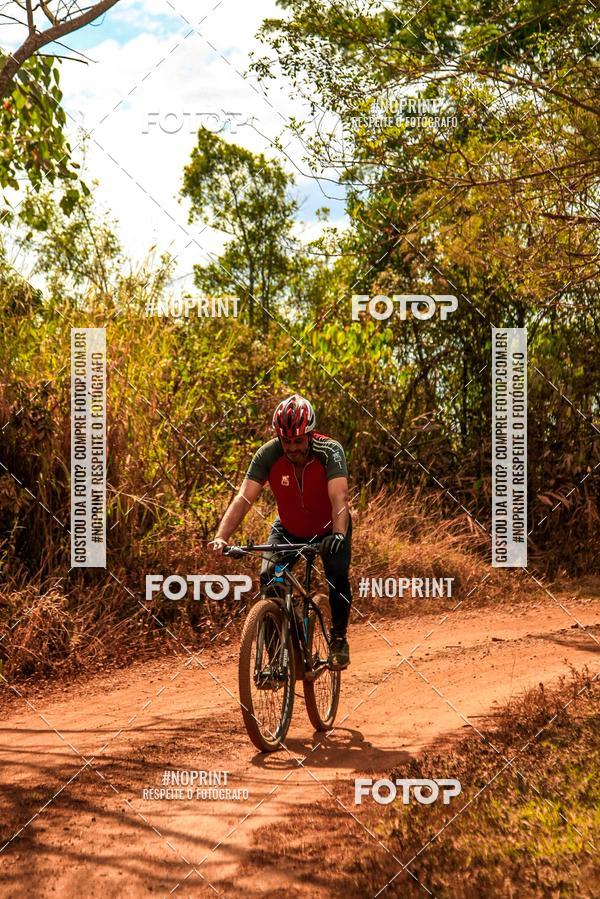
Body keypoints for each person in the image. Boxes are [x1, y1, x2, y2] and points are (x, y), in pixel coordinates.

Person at [210, 394, 352, 669]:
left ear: (310, 435)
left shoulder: (330, 451)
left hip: (329, 528)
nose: (292, 447)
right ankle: (278, 660)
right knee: (269, 578)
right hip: (288, 528)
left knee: (336, 574)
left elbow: (339, 496)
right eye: (286, 441)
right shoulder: (268, 454)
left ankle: (338, 638)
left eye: (298, 440)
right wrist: (221, 536)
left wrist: (337, 533)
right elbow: (244, 498)